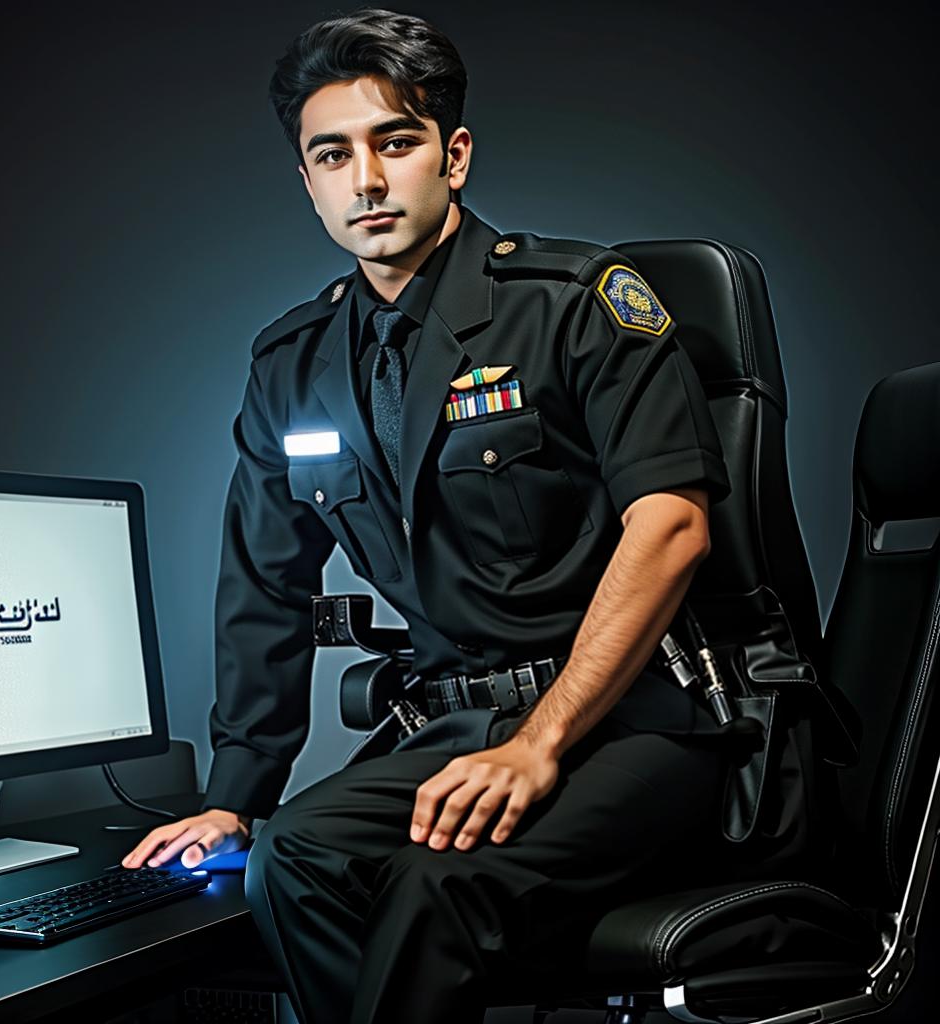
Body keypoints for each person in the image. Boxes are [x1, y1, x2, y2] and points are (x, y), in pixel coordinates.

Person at [122, 7, 741, 1022]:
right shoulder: (294, 364)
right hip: (455, 724)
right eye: (333, 155)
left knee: (431, 884)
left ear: (451, 157)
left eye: (394, 143)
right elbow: (265, 580)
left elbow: (671, 526)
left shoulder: (576, 302)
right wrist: (235, 792)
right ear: (308, 182)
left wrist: (540, 740)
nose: (365, 180)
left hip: (636, 724)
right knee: (296, 858)